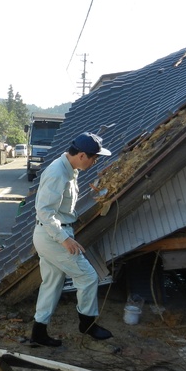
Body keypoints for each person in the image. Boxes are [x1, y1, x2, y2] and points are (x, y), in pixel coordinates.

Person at [31, 132, 113, 347]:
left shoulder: (69, 169)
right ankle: (87, 324)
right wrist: (64, 239)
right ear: (83, 155)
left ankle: (38, 332)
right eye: (94, 158)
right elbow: (44, 211)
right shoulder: (58, 173)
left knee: (52, 284)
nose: (95, 161)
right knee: (87, 277)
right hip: (53, 237)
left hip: (51, 234)